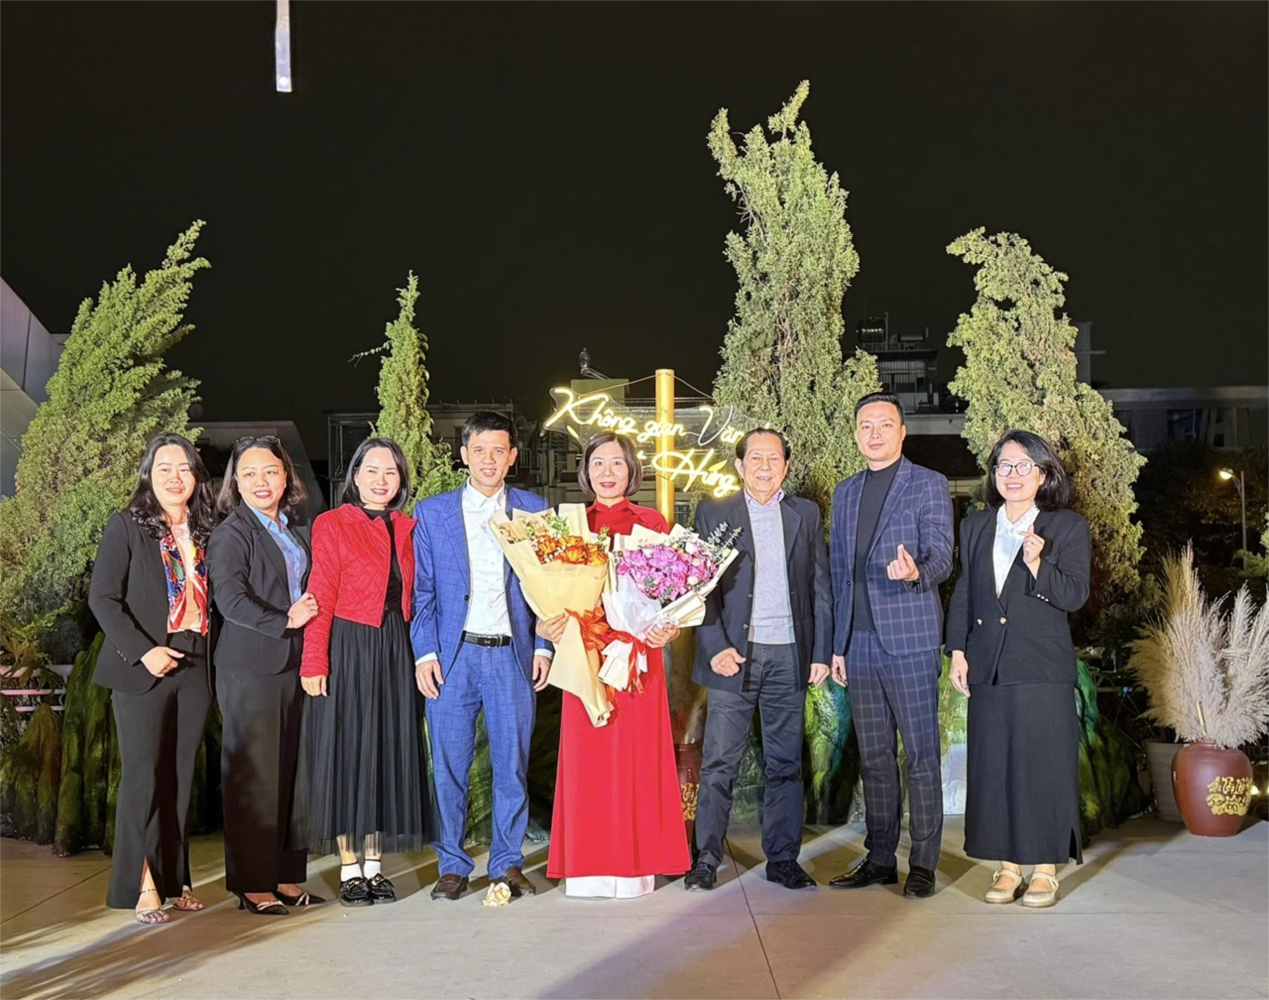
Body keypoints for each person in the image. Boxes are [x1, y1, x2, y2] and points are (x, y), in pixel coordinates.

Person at [411, 411, 553, 902]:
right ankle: (452, 865)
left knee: (511, 765)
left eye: (498, 450)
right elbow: (422, 592)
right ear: (464, 455)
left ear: (512, 456)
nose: (489, 459)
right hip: (454, 658)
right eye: (479, 450)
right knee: (449, 766)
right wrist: (425, 654)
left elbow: (548, 588)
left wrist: (543, 645)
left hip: (512, 656)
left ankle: (507, 863)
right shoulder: (433, 513)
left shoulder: (534, 510)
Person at [683, 428, 832, 892]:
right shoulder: (713, 513)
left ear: (786, 466)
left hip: (789, 654)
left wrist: (820, 653)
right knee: (719, 764)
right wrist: (715, 646)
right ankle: (706, 858)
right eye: (755, 458)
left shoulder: (805, 514)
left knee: (785, 764)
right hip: (733, 656)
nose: (764, 467)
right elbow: (697, 588)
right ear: (739, 465)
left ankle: (783, 859)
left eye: (773, 459)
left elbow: (820, 587)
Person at [946, 429, 1090, 908]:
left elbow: (1075, 595)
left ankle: (1045, 869)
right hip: (988, 664)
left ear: (1043, 475)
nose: (1012, 475)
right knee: (996, 767)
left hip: (1041, 666)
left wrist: (1037, 564)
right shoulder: (976, 526)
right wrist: (958, 650)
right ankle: (1008, 867)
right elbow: (965, 592)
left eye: (1023, 466)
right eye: (1004, 466)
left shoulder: (1066, 527)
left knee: (1042, 767)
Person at [544, 432, 691, 897]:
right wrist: (548, 624)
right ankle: (586, 867)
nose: (607, 472)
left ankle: (635, 866)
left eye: (617, 463)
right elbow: (551, 594)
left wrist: (668, 627)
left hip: (636, 654)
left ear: (632, 471)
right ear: (585, 471)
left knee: (636, 757)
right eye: (598, 463)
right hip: (584, 653)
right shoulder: (568, 526)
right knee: (587, 758)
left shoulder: (652, 524)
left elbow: (674, 597)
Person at [296, 437, 432, 907]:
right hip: (348, 645)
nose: (381, 480)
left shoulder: (410, 528)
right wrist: (314, 660)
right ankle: (349, 868)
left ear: (401, 480)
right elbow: (320, 593)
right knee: (346, 753)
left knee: (385, 752)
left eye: (390, 472)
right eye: (371, 470)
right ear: (354, 476)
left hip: (396, 648)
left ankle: (375, 867)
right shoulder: (333, 523)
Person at [828, 392, 953, 899]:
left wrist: (915, 571)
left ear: (902, 432)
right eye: (865, 425)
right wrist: (837, 644)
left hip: (910, 639)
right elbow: (840, 572)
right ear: (856, 434)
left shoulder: (928, 484)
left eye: (884, 424)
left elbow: (943, 557)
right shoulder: (845, 493)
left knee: (921, 756)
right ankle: (880, 858)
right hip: (858, 643)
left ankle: (923, 862)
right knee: (875, 758)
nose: (874, 433)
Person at [88, 434, 217, 924]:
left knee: (180, 777)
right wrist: (144, 652)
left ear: (196, 476)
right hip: (145, 664)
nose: (174, 477)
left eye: (183, 468)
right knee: (144, 776)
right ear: (148, 475)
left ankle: (174, 879)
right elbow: (103, 598)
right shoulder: (126, 526)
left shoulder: (207, 531)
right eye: (164, 468)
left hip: (196, 662)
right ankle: (140, 883)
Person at [207, 436, 322, 915]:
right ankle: (253, 883)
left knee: (292, 773)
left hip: (293, 664)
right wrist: (285, 620)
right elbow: (230, 600)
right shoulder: (232, 533)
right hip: (250, 667)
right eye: (249, 473)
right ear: (235, 481)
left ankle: (286, 875)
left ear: (286, 476)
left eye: (271, 471)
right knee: (253, 777)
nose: (261, 481)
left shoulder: (290, 528)